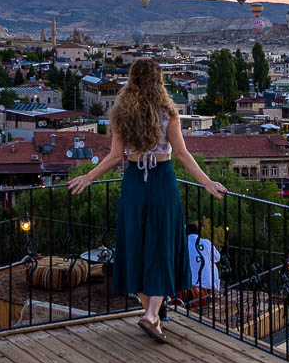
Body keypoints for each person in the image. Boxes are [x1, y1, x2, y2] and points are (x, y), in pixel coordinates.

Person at [68, 58, 227, 343]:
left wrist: (89, 177)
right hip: (162, 180)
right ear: (158, 81)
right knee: (163, 243)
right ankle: (152, 314)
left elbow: (116, 156)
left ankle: (152, 313)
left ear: (132, 81)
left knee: (135, 245)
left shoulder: (121, 114)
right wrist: (206, 182)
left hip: (134, 184)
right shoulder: (169, 112)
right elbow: (182, 153)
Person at [186, 223, 220, 290]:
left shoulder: (184, 244)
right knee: (211, 263)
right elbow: (217, 258)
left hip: (190, 283)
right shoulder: (206, 242)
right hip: (207, 284)